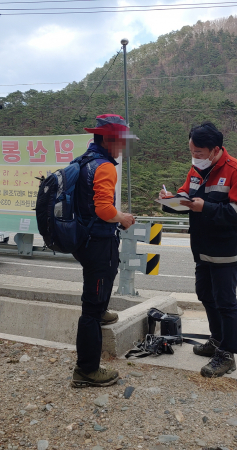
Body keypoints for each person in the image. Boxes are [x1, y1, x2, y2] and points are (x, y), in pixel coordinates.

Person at [159, 122, 237, 378]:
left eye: (199, 153)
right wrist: (170, 201)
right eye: (192, 152)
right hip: (202, 248)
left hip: (226, 250)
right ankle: (216, 340)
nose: (195, 158)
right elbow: (187, 194)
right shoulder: (196, 169)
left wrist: (206, 208)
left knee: (225, 302)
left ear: (215, 150)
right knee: (205, 294)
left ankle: (227, 354)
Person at [71, 114, 136, 388]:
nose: (122, 148)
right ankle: (86, 370)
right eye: (120, 142)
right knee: (91, 307)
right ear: (109, 140)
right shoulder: (106, 167)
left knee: (100, 285)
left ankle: (101, 308)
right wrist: (122, 217)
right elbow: (104, 209)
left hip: (83, 239)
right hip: (99, 241)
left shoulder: (82, 161)